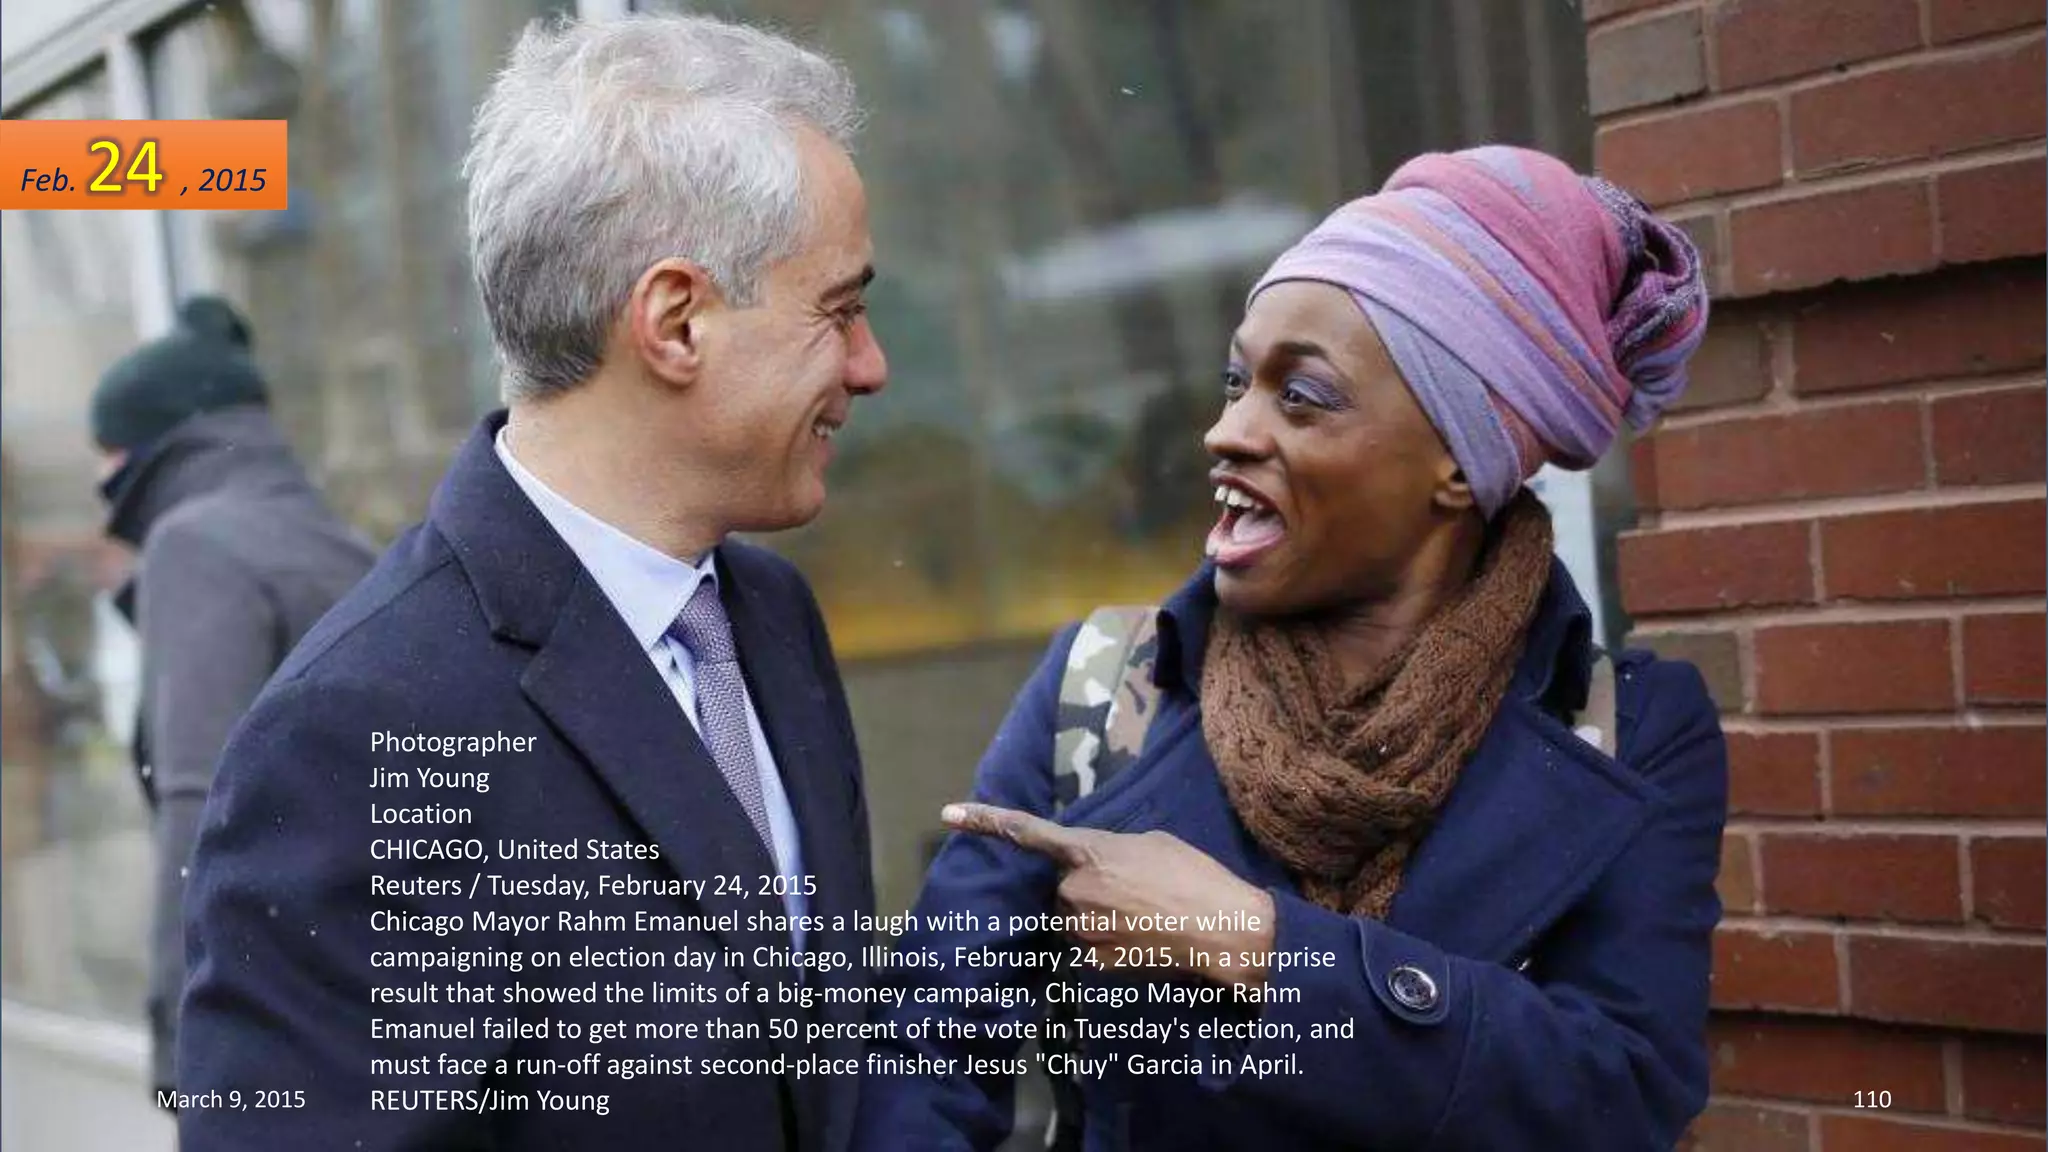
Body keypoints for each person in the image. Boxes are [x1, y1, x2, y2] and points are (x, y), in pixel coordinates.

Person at [857, 146, 1721, 1150]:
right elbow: (920, 1062)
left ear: (1458, 458)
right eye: (1234, 383)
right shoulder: (1102, 692)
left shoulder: (1629, 728)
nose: (1226, 431)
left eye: (1297, 397)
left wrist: (1262, 946)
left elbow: (1617, 1094)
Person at [177, 14, 886, 1150]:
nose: (869, 364)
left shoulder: (767, 617)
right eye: (839, 311)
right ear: (675, 321)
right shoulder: (351, 733)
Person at [89, 295, 376, 1103]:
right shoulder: (347, 548)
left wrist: (184, 1059)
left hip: (274, 1026)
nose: (94, 475)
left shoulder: (196, 547)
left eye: (104, 448)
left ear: (152, 448)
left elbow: (200, 805)